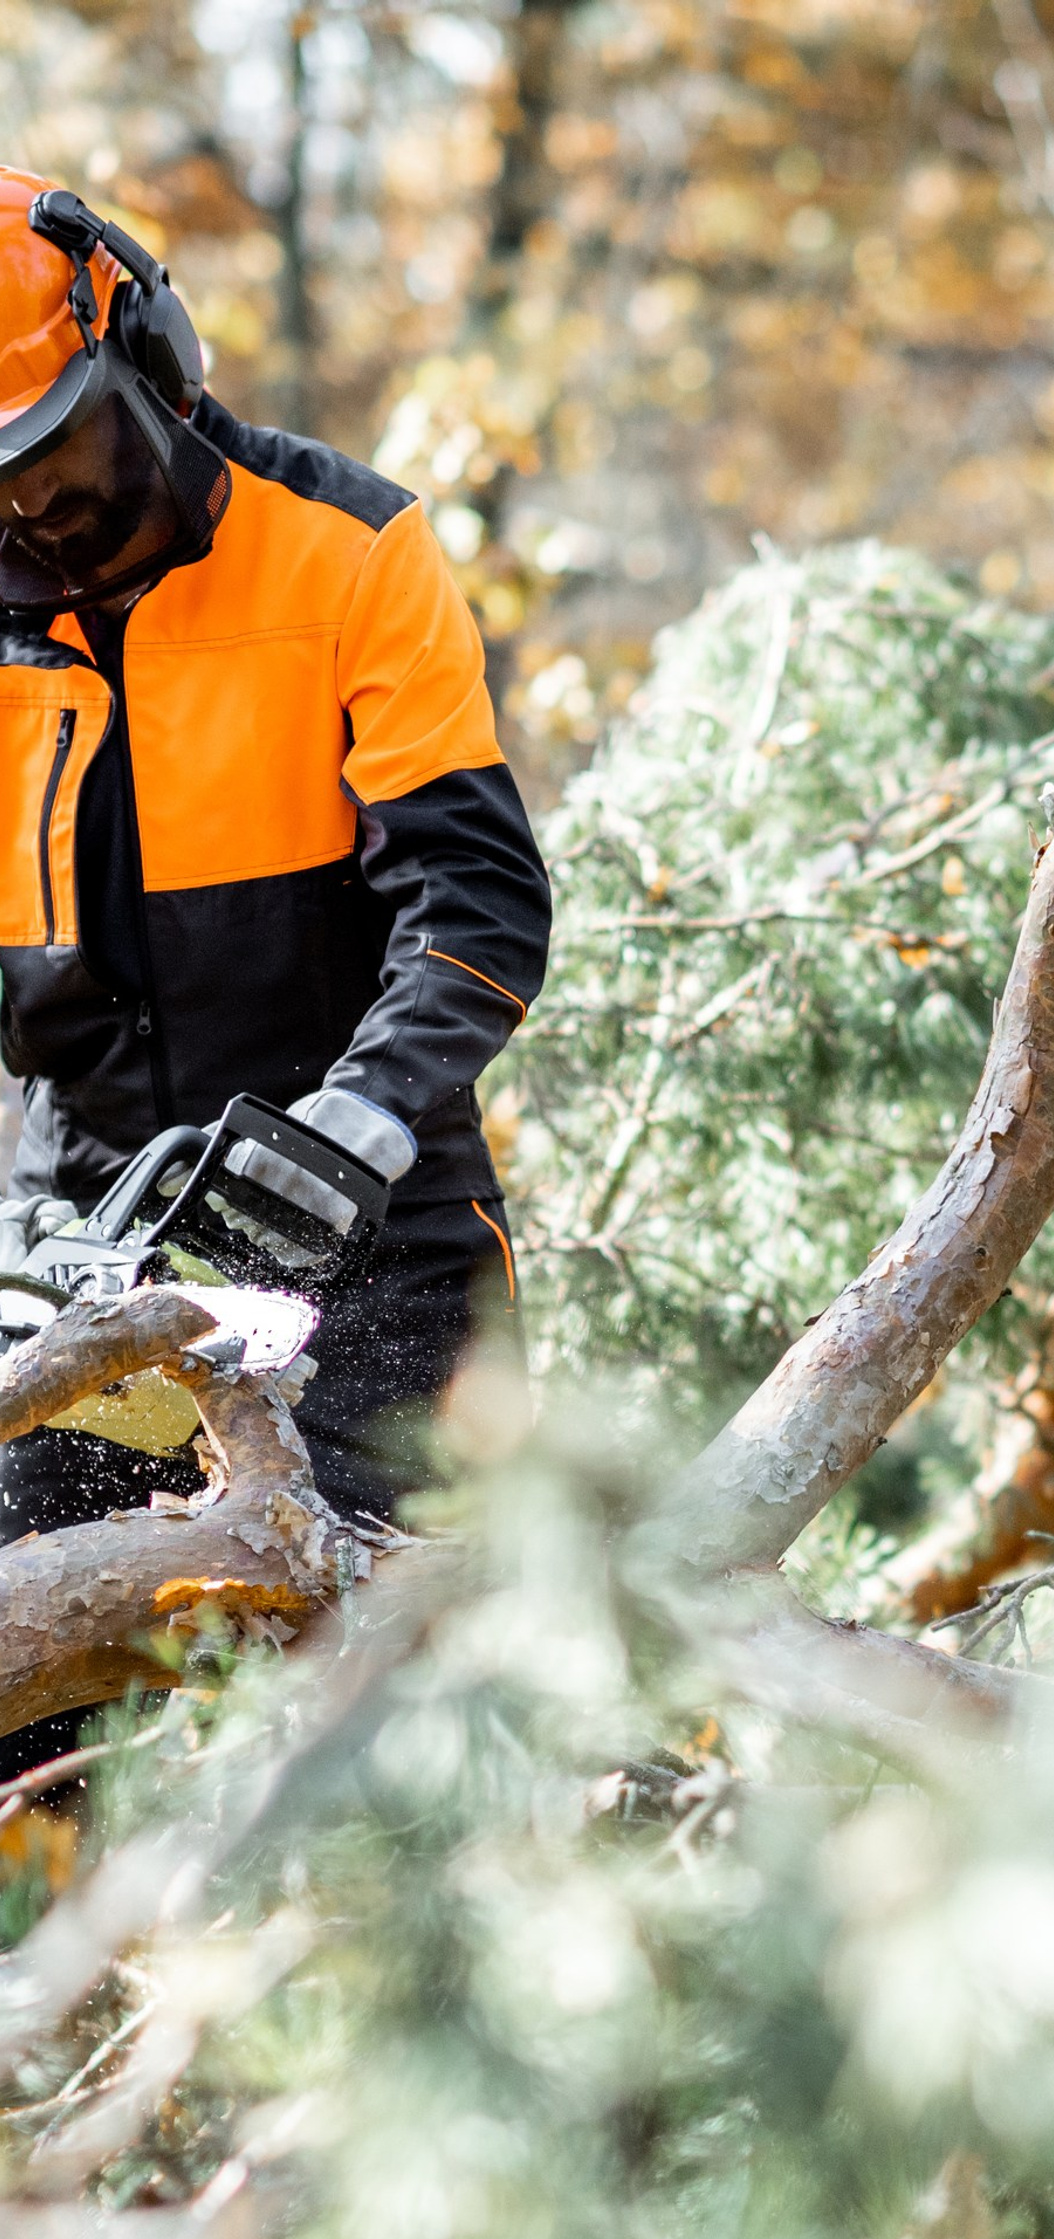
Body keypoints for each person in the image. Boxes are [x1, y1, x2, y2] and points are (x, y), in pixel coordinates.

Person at [0, 169, 549, 1772]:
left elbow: (476, 898)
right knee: (37, 1722)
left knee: (404, 1738)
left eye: (59, 458)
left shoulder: (348, 551)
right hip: (82, 1237)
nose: (36, 516)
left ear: (153, 362)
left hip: (372, 1239)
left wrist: (360, 1116)